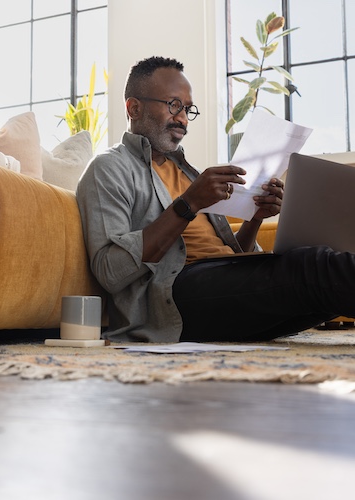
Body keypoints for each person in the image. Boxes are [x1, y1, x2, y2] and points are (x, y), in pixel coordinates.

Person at [76, 55, 355, 343]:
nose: (183, 119)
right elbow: (110, 270)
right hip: (174, 298)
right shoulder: (108, 168)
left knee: (326, 286)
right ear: (134, 108)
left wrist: (255, 218)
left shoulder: (186, 171)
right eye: (173, 105)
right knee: (315, 269)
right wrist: (188, 205)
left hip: (219, 288)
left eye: (187, 109)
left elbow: (231, 260)